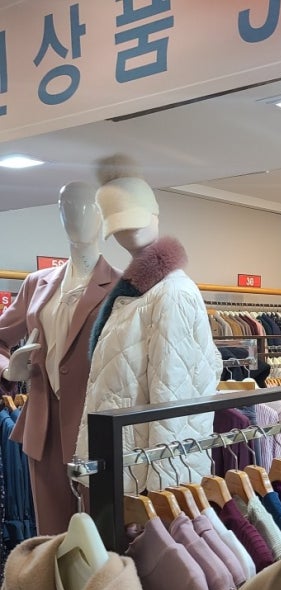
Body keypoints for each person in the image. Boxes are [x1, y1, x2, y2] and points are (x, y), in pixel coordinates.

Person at [75, 157, 221, 493]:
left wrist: (166, 494)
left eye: (136, 218)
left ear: (155, 215)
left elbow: (176, 402)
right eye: (118, 225)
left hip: (142, 477)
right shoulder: (133, 294)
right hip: (122, 463)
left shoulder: (173, 293)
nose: (129, 231)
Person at [0, 182, 121, 534]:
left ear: (102, 215)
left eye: (86, 206)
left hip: (96, 428)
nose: (75, 214)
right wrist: (10, 368)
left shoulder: (122, 288)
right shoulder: (36, 284)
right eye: (66, 205)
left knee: (99, 536)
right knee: (52, 536)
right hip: (44, 427)